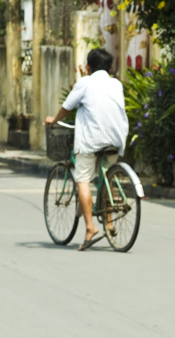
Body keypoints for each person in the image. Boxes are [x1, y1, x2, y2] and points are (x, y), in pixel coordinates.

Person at [45, 47, 128, 251]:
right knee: (107, 178)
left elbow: (68, 106)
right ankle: (108, 223)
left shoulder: (85, 83)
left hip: (91, 140)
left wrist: (54, 119)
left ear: (88, 67)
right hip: (115, 139)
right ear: (110, 68)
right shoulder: (116, 84)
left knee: (82, 179)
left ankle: (90, 227)